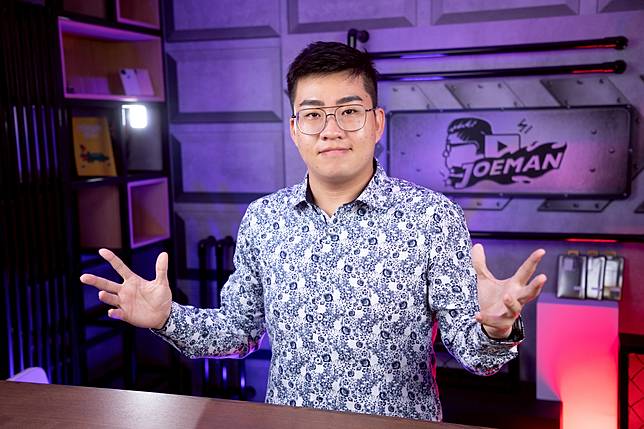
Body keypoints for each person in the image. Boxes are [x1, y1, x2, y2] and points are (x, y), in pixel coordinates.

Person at [80, 41, 546, 422]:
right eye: (313, 113)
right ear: (294, 128)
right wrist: (166, 317)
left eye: (349, 111)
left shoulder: (432, 217)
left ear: (377, 122)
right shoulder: (264, 219)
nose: (331, 129)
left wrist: (495, 327)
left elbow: (478, 357)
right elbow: (237, 332)